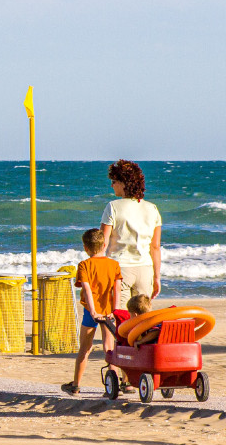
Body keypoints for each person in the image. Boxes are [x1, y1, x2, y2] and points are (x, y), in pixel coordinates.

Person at [61, 228, 122, 395]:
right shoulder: (113, 264)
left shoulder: (84, 265)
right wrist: (115, 310)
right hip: (109, 310)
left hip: (91, 311)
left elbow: (87, 290)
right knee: (109, 348)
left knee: (85, 348)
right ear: (104, 245)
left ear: (85, 247)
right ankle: (113, 385)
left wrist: (93, 311)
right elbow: (117, 289)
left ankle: (76, 385)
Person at [100, 159, 162, 309]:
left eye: (114, 181)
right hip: (145, 269)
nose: (112, 185)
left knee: (121, 317)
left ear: (123, 183)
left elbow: (103, 242)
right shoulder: (152, 208)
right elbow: (155, 247)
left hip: (120, 268)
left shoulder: (113, 206)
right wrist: (157, 277)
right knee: (142, 319)